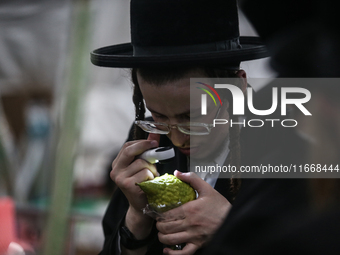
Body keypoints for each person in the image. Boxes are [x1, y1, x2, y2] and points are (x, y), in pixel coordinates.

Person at [90, 0, 269, 254]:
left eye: (192, 118)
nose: (176, 139)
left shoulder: (283, 147)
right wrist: (136, 221)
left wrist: (230, 229)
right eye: (158, 115)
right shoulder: (149, 136)